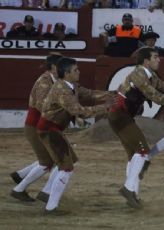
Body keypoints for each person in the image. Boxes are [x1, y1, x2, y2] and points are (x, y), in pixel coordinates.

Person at [107, 47, 164, 209]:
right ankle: (128, 189)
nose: (159, 60)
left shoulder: (150, 75)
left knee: (134, 156)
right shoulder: (139, 74)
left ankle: (132, 194)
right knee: (143, 151)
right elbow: (157, 97)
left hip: (122, 116)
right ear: (146, 61)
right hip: (119, 115)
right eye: (156, 57)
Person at [37, 57, 115, 215]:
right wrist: (105, 108)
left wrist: (111, 94)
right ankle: (51, 207)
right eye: (75, 70)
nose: (79, 72)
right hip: (49, 130)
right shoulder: (62, 90)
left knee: (68, 162)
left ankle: (46, 194)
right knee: (66, 168)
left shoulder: (71, 85)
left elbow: (90, 94)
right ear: (66, 73)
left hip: (54, 129)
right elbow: (78, 111)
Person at [9, 53, 63, 203]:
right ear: (53, 67)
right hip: (35, 127)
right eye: (62, 65)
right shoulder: (44, 82)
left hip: (43, 126)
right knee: (48, 161)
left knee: (50, 158)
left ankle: (20, 175)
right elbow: (42, 105)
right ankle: (18, 189)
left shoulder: (55, 80)